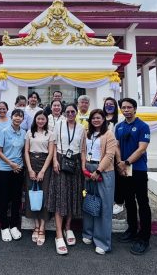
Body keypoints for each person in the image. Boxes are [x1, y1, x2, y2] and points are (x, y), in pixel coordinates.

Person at [47, 103, 85, 255]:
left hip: (74, 163)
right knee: (60, 196)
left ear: (76, 113)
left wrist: (82, 166)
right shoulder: (59, 125)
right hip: (61, 160)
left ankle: (68, 227)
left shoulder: (81, 128)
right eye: (68, 111)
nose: (70, 114)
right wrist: (55, 161)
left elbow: (82, 149)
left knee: (72, 196)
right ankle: (58, 234)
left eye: (73, 111)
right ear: (64, 113)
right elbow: (54, 145)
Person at [115, 98, 151, 255]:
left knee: (142, 203)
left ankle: (144, 238)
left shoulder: (143, 126)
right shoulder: (119, 126)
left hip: (138, 169)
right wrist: (119, 163)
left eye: (129, 107)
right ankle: (132, 229)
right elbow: (116, 146)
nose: (126, 110)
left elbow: (142, 149)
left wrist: (126, 162)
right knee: (129, 201)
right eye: (124, 107)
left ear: (135, 109)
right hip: (123, 169)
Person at [81, 109, 116, 255]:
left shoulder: (108, 134)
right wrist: (83, 166)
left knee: (104, 205)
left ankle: (102, 241)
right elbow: (83, 150)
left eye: (99, 118)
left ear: (103, 120)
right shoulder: (86, 133)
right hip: (88, 168)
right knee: (89, 200)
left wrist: (98, 171)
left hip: (103, 171)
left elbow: (109, 155)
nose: (96, 120)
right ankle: (88, 233)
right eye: (93, 118)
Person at [0, 109, 26, 242]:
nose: (18, 118)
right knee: (3, 198)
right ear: (11, 117)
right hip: (4, 169)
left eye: (20, 116)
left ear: (23, 119)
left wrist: (18, 165)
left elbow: (23, 151)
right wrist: (10, 164)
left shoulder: (24, 132)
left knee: (16, 198)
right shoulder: (4, 132)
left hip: (18, 169)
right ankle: (4, 226)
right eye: (16, 116)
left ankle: (13, 225)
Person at [24, 110, 54, 246]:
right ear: (35, 120)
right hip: (31, 163)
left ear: (46, 121)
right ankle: (36, 226)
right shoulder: (30, 133)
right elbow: (26, 151)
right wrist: (30, 169)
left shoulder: (50, 134)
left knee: (44, 195)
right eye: (38, 119)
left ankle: (42, 228)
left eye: (43, 119)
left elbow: (50, 154)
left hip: (44, 165)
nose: (40, 121)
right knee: (32, 194)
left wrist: (42, 171)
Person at [103, 97, 124, 215]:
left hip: (116, 151)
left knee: (118, 178)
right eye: (107, 104)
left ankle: (119, 202)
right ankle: (108, 200)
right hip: (103, 152)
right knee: (107, 178)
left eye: (111, 104)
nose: (109, 106)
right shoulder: (101, 118)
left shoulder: (119, 119)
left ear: (115, 106)